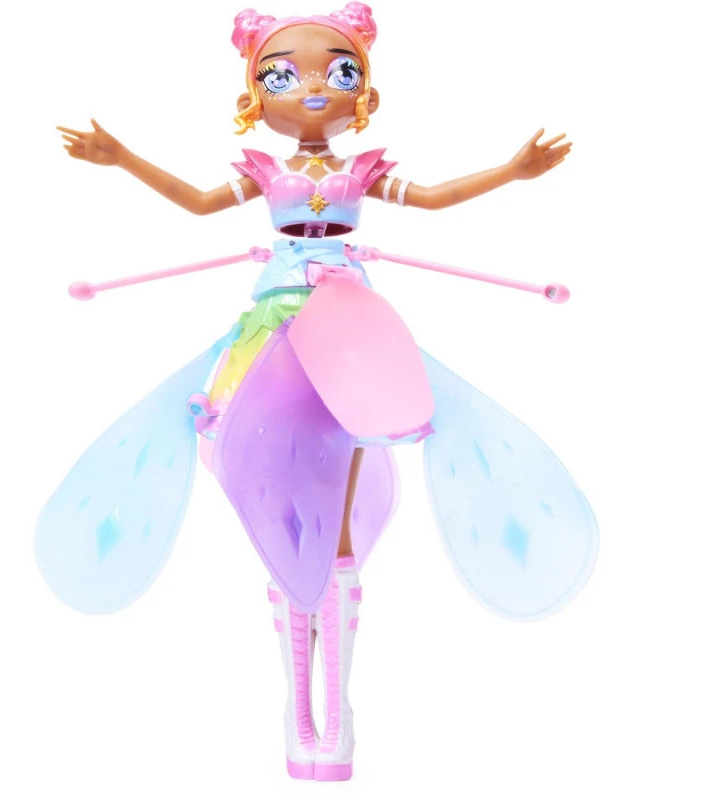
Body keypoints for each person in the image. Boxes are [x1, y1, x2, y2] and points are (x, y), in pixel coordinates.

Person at [40, 3, 595, 782]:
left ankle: (334, 712)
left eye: (337, 72)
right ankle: (298, 707)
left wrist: (511, 171)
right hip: (272, 335)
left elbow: (433, 197)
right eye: (280, 75)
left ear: (362, 91)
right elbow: (198, 201)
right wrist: (121, 156)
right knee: (278, 502)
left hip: (351, 337)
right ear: (253, 94)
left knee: (336, 518)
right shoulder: (263, 174)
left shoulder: (361, 172)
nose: (309, 88)